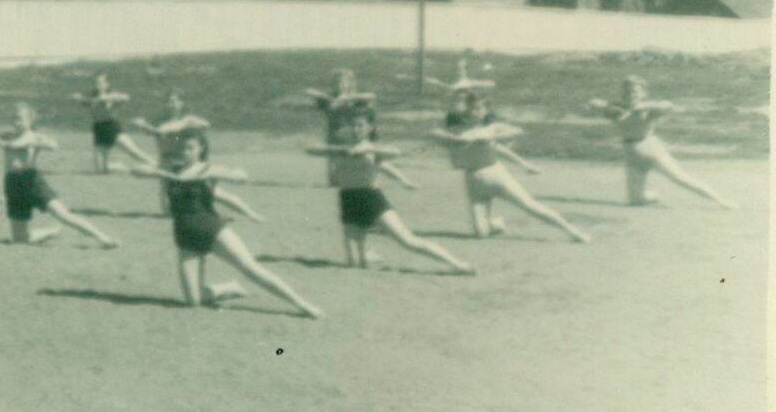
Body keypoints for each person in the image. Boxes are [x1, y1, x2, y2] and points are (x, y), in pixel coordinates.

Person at [132, 133, 321, 318]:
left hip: (213, 230)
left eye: (190, 147)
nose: (185, 151)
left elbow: (241, 176)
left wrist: (218, 174)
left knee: (251, 269)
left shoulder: (207, 169)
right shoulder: (171, 169)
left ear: (200, 149)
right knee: (193, 301)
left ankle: (301, 304)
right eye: (181, 147)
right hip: (185, 236)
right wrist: (164, 174)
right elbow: (136, 170)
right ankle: (229, 288)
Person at [308, 110, 473, 274]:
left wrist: (369, 149)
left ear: (370, 128)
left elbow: (394, 152)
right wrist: (341, 150)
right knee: (354, 264)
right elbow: (311, 149)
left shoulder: (373, 148)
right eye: (353, 125)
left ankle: (459, 264)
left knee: (408, 241)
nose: (356, 129)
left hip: (371, 198)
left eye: (360, 125)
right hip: (348, 199)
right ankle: (369, 256)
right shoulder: (341, 146)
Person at [431, 91, 590, 242]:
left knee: (529, 205)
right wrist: (457, 140)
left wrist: (492, 136)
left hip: (496, 175)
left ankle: (573, 230)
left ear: (486, 111)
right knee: (481, 233)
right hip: (473, 181)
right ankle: (497, 223)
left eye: (479, 108)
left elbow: (516, 131)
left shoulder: (491, 128)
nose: (475, 112)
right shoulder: (457, 130)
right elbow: (434, 133)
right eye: (472, 108)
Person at [0, 103, 119, 247]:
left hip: (31, 181)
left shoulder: (33, 137)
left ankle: (103, 237)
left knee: (63, 215)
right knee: (19, 240)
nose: (16, 122)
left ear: (30, 121)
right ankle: (49, 232)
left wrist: (43, 143)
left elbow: (38, 145)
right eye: (13, 118)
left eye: (20, 119)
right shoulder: (8, 135)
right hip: (12, 184)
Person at [588, 76, 735, 209]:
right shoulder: (615, 109)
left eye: (635, 92)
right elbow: (594, 103)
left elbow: (668, 105)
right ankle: (653, 195)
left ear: (643, 94)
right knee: (636, 201)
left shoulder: (650, 109)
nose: (630, 94)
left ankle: (721, 200)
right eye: (627, 91)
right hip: (631, 154)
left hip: (651, 150)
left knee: (680, 178)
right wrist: (605, 105)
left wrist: (643, 106)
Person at [130, 89, 264, 217]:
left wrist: (182, 125)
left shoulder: (188, 119)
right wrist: (143, 126)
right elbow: (156, 132)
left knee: (214, 193)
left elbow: (205, 124)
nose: (170, 104)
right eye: (168, 101)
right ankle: (199, 207)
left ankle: (250, 212)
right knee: (167, 210)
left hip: (183, 162)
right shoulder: (161, 120)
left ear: (182, 103)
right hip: (166, 161)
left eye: (174, 101)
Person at [70, 73, 156, 173]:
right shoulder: (92, 95)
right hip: (99, 129)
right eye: (96, 82)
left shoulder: (111, 94)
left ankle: (156, 164)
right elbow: (83, 100)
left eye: (101, 82)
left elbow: (126, 97)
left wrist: (107, 97)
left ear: (107, 84)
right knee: (100, 170)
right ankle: (119, 166)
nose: (98, 84)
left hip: (111, 127)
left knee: (133, 151)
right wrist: (79, 98)